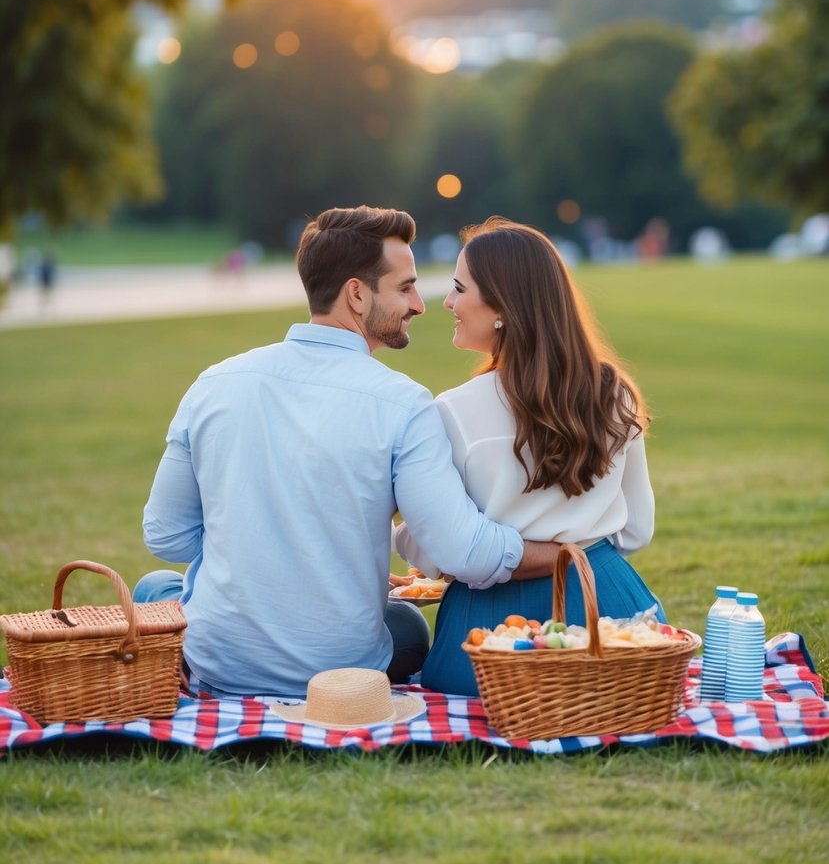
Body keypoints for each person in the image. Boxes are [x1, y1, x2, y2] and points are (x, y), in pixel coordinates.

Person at [135, 206, 561, 699]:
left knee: (155, 586)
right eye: (405, 287)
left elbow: (165, 534)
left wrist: (258, 556)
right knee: (406, 628)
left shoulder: (214, 384)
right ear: (357, 294)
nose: (421, 304)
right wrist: (562, 553)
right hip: (341, 678)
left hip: (219, 663)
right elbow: (461, 552)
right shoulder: (404, 404)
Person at [394, 216, 666, 697]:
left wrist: (405, 540)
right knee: (612, 696)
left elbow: (441, 551)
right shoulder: (615, 393)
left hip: (491, 629)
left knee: (479, 698)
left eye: (459, 288)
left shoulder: (453, 411)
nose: (448, 302)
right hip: (606, 608)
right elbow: (635, 530)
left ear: (503, 305)